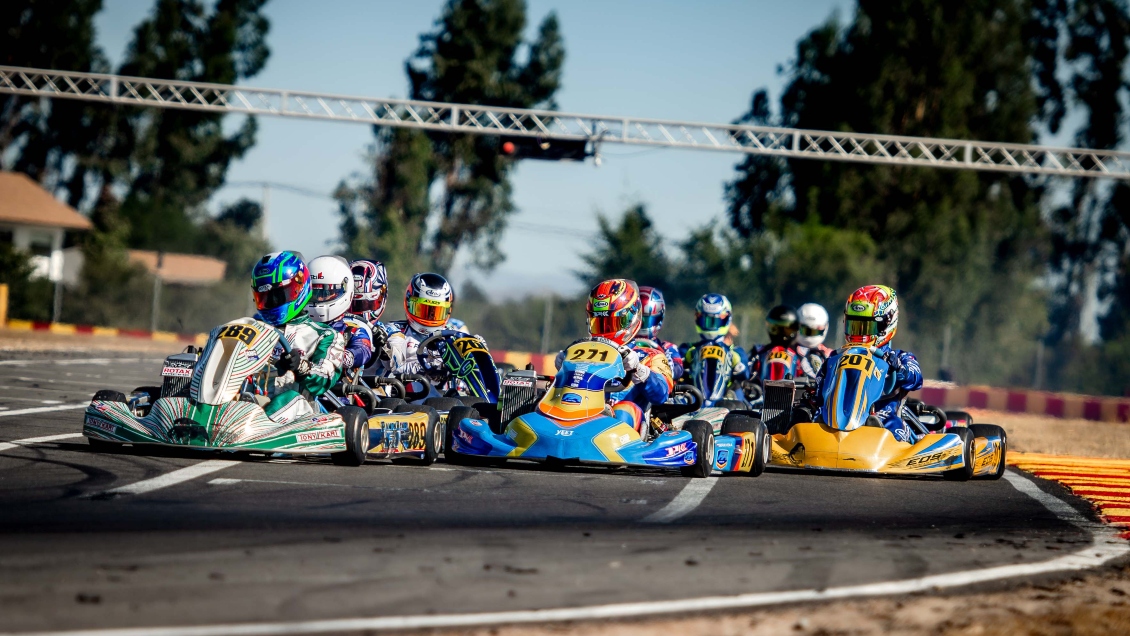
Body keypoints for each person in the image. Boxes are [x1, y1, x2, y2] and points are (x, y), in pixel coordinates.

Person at [556, 279, 673, 435]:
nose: (605, 331)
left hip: (627, 430)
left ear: (630, 318)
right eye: (600, 323)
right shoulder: (582, 350)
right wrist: (565, 367)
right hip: (581, 413)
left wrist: (639, 370)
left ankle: (606, 420)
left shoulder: (651, 355)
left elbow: (661, 394)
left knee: (624, 410)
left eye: (612, 323)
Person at [816, 285, 923, 443]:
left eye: (866, 326)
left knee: (896, 430)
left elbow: (916, 377)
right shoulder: (835, 357)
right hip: (833, 418)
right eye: (855, 326)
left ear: (886, 323)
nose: (859, 333)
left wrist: (900, 369)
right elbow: (820, 387)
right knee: (808, 419)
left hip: (881, 418)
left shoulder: (899, 357)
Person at [251, 251, 345, 423]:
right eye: (264, 297)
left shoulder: (325, 335)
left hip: (300, 416)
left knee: (289, 398)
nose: (272, 302)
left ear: (298, 289)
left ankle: (255, 426)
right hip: (248, 406)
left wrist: (300, 366)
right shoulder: (252, 329)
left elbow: (325, 379)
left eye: (278, 295)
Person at [386, 273, 485, 392]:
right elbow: (396, 368)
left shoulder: (452, 333)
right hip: (408, 402)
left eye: (436, 312)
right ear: (408, 302)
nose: (429, 318)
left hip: (450, 402)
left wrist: (476, 351)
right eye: (423, 310)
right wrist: (429, 367)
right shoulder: (395, 331)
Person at [306, 256, 373, 377]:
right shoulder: (300, 326)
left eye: (326, 293)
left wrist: (338, 357)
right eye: (314, 293)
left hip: (337, 393)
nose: (319, 299)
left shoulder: (352, 329)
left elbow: (363, 350)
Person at [680, 294, 748, 394]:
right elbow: (675, 370)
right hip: (693, 399)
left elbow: (746, 375)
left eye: (715, 321)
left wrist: (736, 364)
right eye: (706, 320)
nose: (711, 325)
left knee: (739, 391)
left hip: (727, 400)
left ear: (726, 319)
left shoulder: (736, 352)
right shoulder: (686, 349)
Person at [348, 259, 405, 376]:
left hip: (374, 391)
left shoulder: (390, 332)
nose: (359, 312)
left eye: (366, 304)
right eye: (354, 304)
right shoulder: (336, 327)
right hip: (333, 390)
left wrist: (384, 347)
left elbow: (398, 364)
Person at [632, 286, 683, 380]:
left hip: (658, 389)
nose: (641, 325)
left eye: (646, 320)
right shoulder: (622, 346)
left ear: (658, 318)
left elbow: (676, 370)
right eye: (637, 320)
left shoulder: (667, 348)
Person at [749, 305, 800, 382]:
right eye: (775, 329)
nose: (781, 334)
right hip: (761, 391)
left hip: (793, 391)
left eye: (787, 330)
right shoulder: (758, 352)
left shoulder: (801, 354)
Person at [796, 302, 833, 380]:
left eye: (815, 331)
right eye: (806, 330)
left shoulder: (830, 355)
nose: (810, 335)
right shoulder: (790, 353)